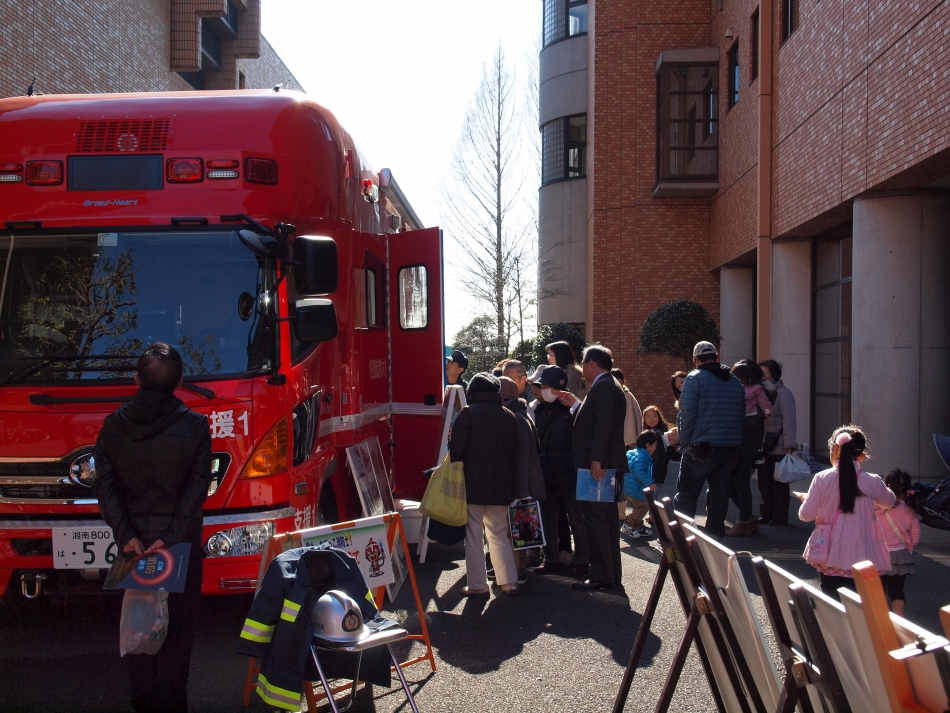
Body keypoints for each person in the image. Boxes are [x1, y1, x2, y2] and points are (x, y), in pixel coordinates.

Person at [93, 342, 212, 713]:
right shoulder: (194, 426)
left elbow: (105, 487)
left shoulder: (113, 426)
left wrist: (126, 535)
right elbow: (196, 492)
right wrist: (169, 538)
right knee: (177, 631)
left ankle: (141, 702)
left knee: (139, 626)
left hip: (132, 548)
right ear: (179, 382)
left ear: (136, 379)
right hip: (179, 547)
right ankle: (173, 703)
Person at [557, 345, 628, 590]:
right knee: (605, 521)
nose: (583, 369)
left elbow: (603, 424)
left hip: (598, 467)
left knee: (596, 520)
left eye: (585, 364)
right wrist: (576, 404)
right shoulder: (609, 384)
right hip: (605, 465)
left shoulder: (603, 386)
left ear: (592, 364)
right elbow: (597, 419)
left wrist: (596, 459)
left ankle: (600, 574)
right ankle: (609, 573)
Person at [798, 426, 896, 601]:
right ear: (861, 456)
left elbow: (806, 515)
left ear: (834, 450)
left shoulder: (822, 479)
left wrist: (809, 501)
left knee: (835, 613)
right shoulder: (872, 481)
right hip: (867, 562)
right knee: (866, 615)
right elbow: (889, 502)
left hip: (831, 559)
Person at [450, 373, 522, 597]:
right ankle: (509, 582)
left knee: (473, 534)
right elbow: (515, 453)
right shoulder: (509, 416)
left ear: (472, 391)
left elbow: (457, 451)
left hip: (472, 484)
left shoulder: (468, 413)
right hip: (501, 484)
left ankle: (478, 586)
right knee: (499, 533)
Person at [673, 341, 744, 538]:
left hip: (701, 448)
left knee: (687, 496)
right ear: (717, 357)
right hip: (729, 447)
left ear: (696, 360)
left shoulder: (694, 378)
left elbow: (687, 415)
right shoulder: (735, 382)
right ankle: (715, 541)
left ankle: (683, 540)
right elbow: (741, 416)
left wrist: (685, 443)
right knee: (719, 496)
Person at [531, 365, 587, 574]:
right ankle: (550, 559)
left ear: (559, 388)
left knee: (577, 520)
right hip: (547, 473)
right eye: (542, 386)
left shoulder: (573, 409)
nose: (542, 390)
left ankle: (583, 562)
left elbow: (584, 433)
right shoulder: (540, 408)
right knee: (547, 519)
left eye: (546, 386)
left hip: (570, 473)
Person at [500, 376, 546, 582]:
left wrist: (518, 490)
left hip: (521, 486)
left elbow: (520, 458)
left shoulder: (514, 419)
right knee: (521, 534)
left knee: (515, 534)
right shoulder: (522, 413)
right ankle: (518, 572)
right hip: (529, 484)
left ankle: (517, 573)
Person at [724, 362, 770, 537]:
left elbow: (758, 419)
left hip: (748, 443)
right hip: (740, 442)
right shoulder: (742, 391)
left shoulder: (758, 392)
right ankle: (748, 517)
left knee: (740, 480)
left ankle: (745, 520)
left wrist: (736, 424)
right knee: (732, 480)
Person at [757, 359, 798, 526]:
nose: (760, 377)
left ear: (772, 375)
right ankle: (766, 513)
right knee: (764, 481)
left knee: (779, 483)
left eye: (763, 374)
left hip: (779, 444)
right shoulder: (761, 392)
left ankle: (779, 516)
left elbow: (789, 420)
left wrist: (789, 444)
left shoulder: (784, 394)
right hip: (764, 444)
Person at [875, 469, 920, 616]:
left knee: (878, 589)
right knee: (897, 591)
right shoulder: (910, 510)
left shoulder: (876, 508)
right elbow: (915, 537)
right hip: (900, 555)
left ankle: (880, 618)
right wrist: (909, 546)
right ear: (906, 490)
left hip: (878, 554)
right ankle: (899, 618)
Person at [622, 431, 658, 538]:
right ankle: (629, 524)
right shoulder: (643, 457)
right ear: (648, 444)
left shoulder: (632, 452)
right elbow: (639, 472)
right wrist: (650, 482)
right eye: (655, 445)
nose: (655, 448)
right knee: (643, 506)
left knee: (638, 506)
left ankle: (638, 526)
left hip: (627, 487)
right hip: (634, 489)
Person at [642, 405, 674, 484]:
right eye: (648, 417)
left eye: (654, 416)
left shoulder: (661, 433)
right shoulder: (647, 433)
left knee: (653, 492)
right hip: (649, 468)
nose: (651, 419)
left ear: (659, 417)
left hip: (656, 469)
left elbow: (659, 455)